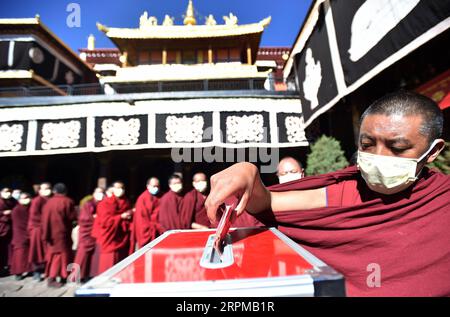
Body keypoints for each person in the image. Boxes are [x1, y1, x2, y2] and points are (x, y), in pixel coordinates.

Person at [205, 91, 449, 296]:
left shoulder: (442, 200)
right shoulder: (346, 191)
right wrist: (249, 174)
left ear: (433, 151)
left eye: (397, 148)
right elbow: (268, 203)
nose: (378, 157)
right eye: (367, 145)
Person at [41, 183, 76, 287]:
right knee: (60, 256)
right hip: (61, 233)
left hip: (49, 233)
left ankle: (59, 276)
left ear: (54, 191)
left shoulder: (48, 202)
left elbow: (43, 219)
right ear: (65, 191)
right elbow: (72, 217)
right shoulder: (68, 201)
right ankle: (52, 278)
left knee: (53, 256)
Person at [93, 181, 132, 274]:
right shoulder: (105, 203)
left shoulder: (126, 202)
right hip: (109, 237)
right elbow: (105, 221)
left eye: (122, 188)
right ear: (113, 189)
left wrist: (129, 214)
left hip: (121, 236)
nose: (120, 190)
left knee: (121, 262)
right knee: (108, 264)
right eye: (118, 188)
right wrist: (121, 217)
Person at [74, 187, 104, 281]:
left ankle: (90, 275)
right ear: (94, 193)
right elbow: (84, 218)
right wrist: (95, 218)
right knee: (83, 254)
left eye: (102, 192)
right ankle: (77, 276)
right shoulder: (88, 203)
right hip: (87, 233)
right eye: (98, 192)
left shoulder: (103, 203)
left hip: (97, 233)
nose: (101, 194)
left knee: (95, 255)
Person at [28, 182, 52, 280]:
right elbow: (34, 216)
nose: (46, 191)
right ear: (40, 191)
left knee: (47, 250)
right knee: (37, 251)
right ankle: (36, 271)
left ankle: (46, 268)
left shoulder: (51, 200)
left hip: (49, 228)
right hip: (37, 228)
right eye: (44, 189)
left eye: (48, 188)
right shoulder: (37, 201)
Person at [131, 177, 162, 251]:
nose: (156, 188)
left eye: (157, 186)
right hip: (149, 232)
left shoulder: (161, 197)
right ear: (148, 186)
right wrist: (154, 227)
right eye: (154, 186)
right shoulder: (143, 198)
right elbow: (141, 220)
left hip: (159, 232)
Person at [10, 192, 32, 280]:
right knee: (20, 254)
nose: (25, 200)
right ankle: (18, 272)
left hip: (29, 233)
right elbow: (18, 224)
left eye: (27, 197)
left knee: (29, 254)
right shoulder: (16, 210)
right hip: (20, 235)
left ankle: (30, 270)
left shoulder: (31, 208)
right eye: (23, 198)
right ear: (19, 200)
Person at [0, 187, 17, 276]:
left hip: (11, 229)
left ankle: (10, 266)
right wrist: (3, 213)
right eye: (6, 192)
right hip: (2, 228)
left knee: (10, 249)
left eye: (10, 192)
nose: (8, 194)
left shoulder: (13, 201)